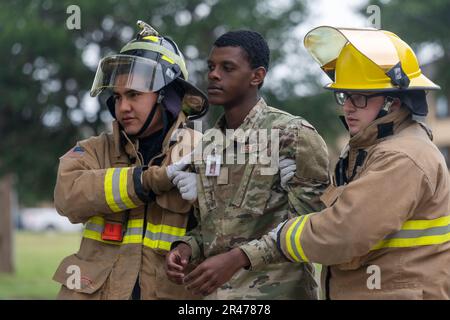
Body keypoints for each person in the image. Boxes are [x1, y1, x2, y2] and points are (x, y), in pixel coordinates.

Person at [242, 26, 450, 299]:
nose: (348, 107)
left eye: (359, 97)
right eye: (344, 96)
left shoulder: (401, 156)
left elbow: (344, 233)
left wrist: (280, 238)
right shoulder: (374, 148)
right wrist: (302, 188)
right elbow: (352, 210)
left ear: (394, 102)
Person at [165, 30, 330, 299]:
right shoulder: (210, 143)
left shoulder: (293, 135)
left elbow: (311, 228)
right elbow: (215, 226)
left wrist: (238, 258)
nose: (213, 75)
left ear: (257, 76)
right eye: (211, 67)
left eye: (227, 68)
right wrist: (186, 248)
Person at [52, 20, 208, 300]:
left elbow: (233, 232)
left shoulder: (203, 152)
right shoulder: (94, 151)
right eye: (118, 97)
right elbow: (67, 196)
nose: (123, 107)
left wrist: (208, 193)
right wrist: (148, 180)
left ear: (165, 97)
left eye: (134, 95)